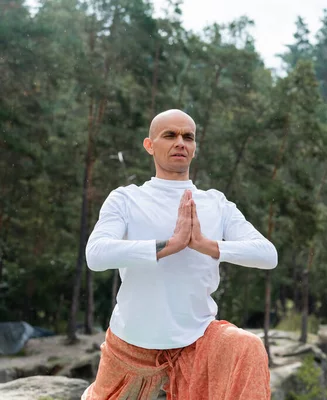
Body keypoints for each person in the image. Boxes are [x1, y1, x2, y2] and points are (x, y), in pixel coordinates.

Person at [81, 109, 277, 400]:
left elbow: (267, 255)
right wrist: (166, 247)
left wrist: (205, 245)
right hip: (132, 344)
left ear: (195, 148)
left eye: (188, 137)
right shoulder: (126, 198)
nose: (180, 143)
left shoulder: (216, 204)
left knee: (247, 346)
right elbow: (95, 255)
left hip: (197, 340)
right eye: (169, 135)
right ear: (150, 145)